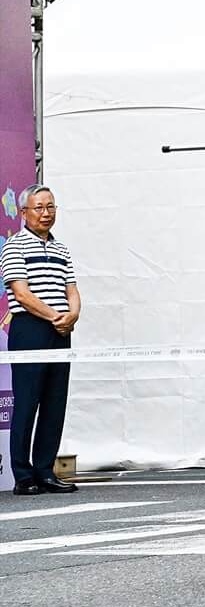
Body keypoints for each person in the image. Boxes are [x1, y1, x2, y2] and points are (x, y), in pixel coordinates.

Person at [3, 185, 81, 495]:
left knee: (54, 401)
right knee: (27, 401)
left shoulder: (62, 249)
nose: (46, 213)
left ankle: (45, 471)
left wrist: (72, 315)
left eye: (51, 207)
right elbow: (21, 294)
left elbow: (71, 289)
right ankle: (23, 476)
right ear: (24, 212)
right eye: (39, 208)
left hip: (60, 331)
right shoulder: (14, 246)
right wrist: (55, 317)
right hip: (30, 328)